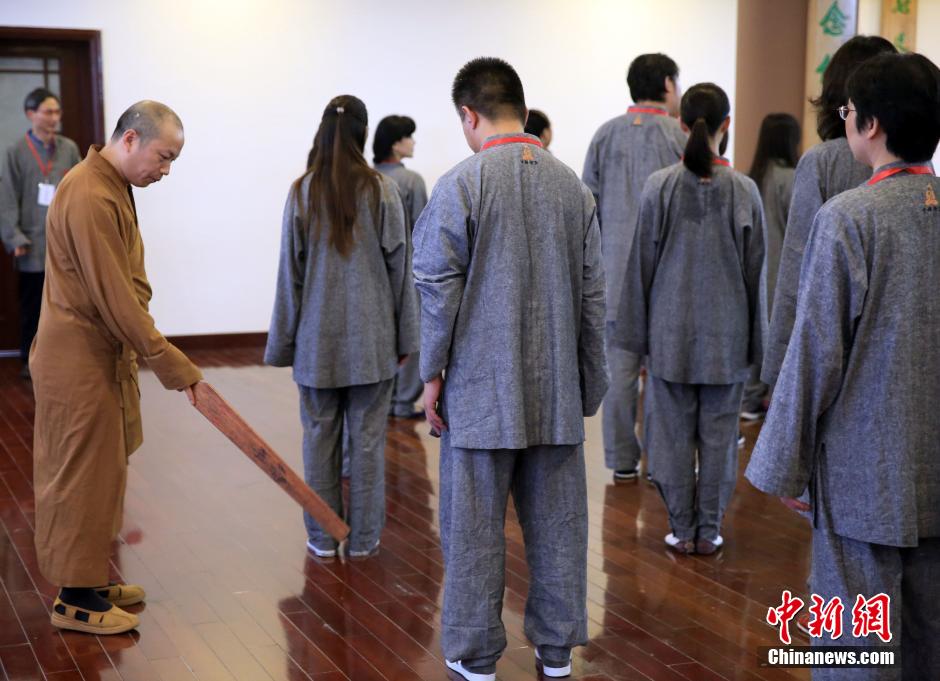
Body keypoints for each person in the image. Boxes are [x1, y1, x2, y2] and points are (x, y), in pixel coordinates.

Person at [746, 52, 940, 680]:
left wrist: (786, 466)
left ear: (872, 125)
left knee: (858, 643)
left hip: (864, 468)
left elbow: (815, 354)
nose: (845, 119)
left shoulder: (850, 217)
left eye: (849, 111)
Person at [413, 57, 607, 681]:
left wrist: (432, 374)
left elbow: (436, 287)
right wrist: (588, 381)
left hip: (478, 390)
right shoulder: (572, 187)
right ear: (520, 108)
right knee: (559, 528)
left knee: (472, 529)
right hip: (555, 391)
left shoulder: (461, 184)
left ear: (469, 114)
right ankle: (556, 653)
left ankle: (474, 656)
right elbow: (593, 298)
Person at [31, 101, 202, 634]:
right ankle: (74, 599)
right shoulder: (87, 191)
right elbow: (115, 297)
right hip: (77, 357)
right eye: (164, 157)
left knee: (105, 470)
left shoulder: (110, 185)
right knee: (80, 475)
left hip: (99, 352)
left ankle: (89, 579)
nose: (166, 170)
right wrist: (169, 362)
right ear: (130, 139)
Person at [265, 95, 419, 559]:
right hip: (373, 343)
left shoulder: (302, 191)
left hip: (316, 345)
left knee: (318, 441)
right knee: (368, 445)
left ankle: (321, 536)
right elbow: (400, 270)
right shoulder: (382, 190)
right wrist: (407, 337)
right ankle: (365, 539)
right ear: (363, 134)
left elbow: (289, 277)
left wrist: (284, 343)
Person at [615, 83, 764, 556]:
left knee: (673, 435)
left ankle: (682, 528)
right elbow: (756, 274)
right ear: (728, 125)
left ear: (680, 125)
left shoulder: (660, 185)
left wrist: (636, 339)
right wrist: (758, 350)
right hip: (728, 338)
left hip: (669, 336)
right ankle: (710, 528)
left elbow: (641, 265)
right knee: (721, 438)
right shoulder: (744, 189)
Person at [762, 36, 895, 386]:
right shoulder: (918, 172)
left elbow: (796, 270)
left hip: (832, 350)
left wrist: (778, 371)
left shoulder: (821, 162)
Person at [583, 53, 686, 481]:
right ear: (666, 84)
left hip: (612, 276)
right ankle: (663, 460)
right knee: (663, 375)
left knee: (620, 374)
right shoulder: (679, 137)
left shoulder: (604, 135)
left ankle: (622, 461)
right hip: (667, 277)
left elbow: (587, 211)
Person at [0, 88, 82, 378]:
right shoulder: (15, 152)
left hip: (63, 242)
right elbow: (7, 196)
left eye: (57, 112)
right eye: (47, 112)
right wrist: (14, 237)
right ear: (30, 114)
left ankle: (64, 356)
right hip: (32, 242)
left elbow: (79, 192)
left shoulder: (68, 148)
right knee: (33, 305)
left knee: (67, 303)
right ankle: (30, 360)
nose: (53, 118)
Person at [740, 113, 800, 420]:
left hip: (753, 272)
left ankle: (749, 398)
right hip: (782, 274)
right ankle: (772, 400)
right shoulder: (792, 178)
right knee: (782, 340)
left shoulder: (750, 178)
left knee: (756, 336)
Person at [373, 114, 428, 419]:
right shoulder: (410, 181)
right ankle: (403, 402)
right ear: (396, 143)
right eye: (409, 136)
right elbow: (423, 230)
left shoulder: (368, 178)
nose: (413, 142)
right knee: (412, 335)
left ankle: (383, 398)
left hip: (375, 275)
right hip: (408, 271)